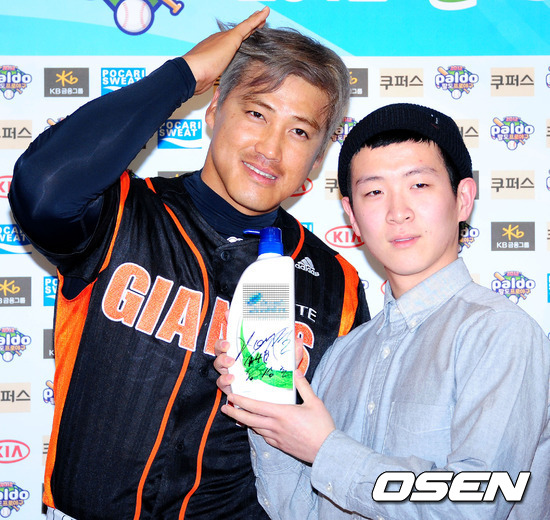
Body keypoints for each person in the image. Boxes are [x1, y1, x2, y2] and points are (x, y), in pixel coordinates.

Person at [9, 8, 370, 520]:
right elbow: (42, 189)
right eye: (257, 113)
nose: (270, 149)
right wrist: (187, 73)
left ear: (317, 158)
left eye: (299, 132)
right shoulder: (119, 211)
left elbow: (338, 449)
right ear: (214, 109)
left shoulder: (338, 285)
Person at [215, 103, 550, 519]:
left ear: (463, 199)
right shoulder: (342, 354)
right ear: (352, 217)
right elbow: (298, 511)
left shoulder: (500, 333)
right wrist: (267, 408)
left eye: (419, 185)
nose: (398, 212)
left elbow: (477, 505)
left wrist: (325, 448)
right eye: (374, 192)